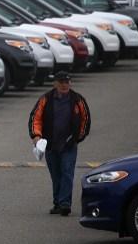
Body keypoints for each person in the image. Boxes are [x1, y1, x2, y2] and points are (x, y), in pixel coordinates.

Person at [28, 71, 91, 216]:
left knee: (67, 173)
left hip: (69, 145)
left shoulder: (77, 99)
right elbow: (35, 118)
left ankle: (65, 204)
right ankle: (57, 203)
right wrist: (37, 137)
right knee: (56, 175)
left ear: (70, 83)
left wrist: (77, 138)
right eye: (61, 82)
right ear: (55, 83)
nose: (64, 85)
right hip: (50, 145)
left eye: (67, 82)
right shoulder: (46, 99)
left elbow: (85, 120)